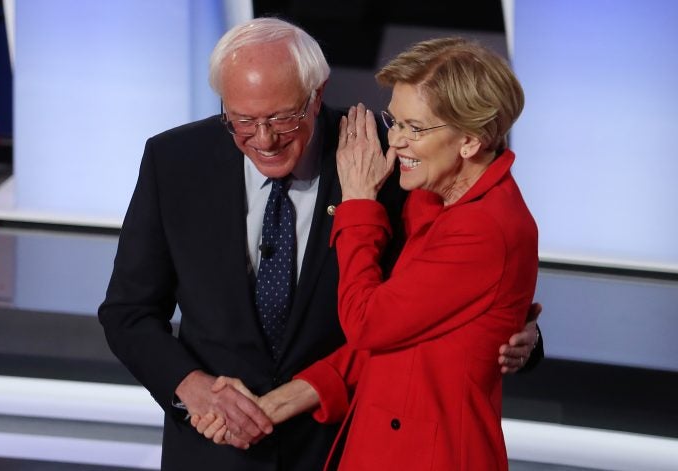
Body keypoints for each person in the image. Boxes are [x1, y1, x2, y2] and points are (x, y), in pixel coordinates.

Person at [98, 18, 541, 471]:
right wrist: (190, 388)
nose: (265, 139)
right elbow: (127, 312)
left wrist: (514, 335)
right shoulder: (174, 162)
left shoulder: (385, 165)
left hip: (332, 446)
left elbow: (445, 287)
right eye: (243, 121)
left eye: (283, 117)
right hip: (212, 450)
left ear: (317, 93)